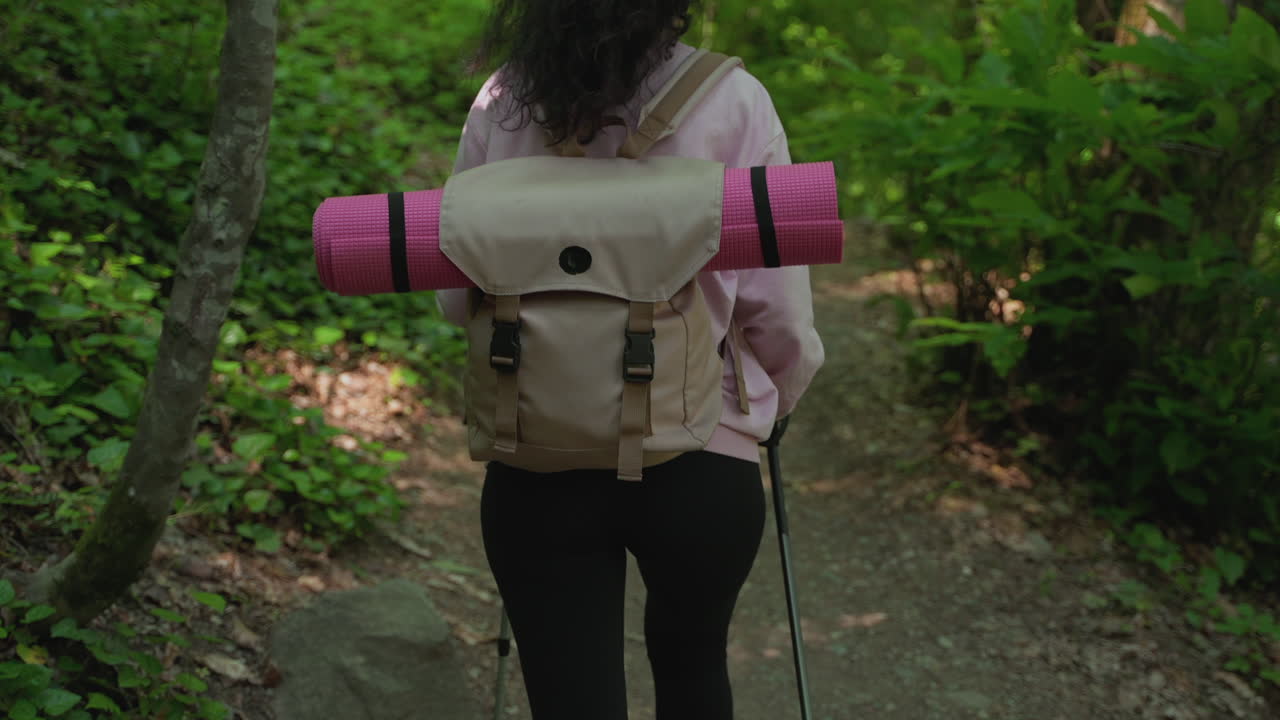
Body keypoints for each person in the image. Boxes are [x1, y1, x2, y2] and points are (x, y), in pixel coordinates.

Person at [435, 2, 824, 718]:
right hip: (701, 453)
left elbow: (458, 298)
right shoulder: (735, 99)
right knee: (693, 667)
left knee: (569, 699)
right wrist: (775, 408)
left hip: (534, 455)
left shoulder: (504, 99)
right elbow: (782, 318)